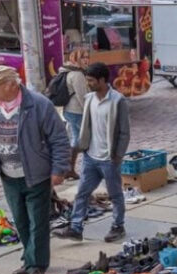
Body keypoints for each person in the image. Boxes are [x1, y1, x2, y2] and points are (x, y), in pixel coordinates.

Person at [0, 65, 70, 274]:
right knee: (20, 220)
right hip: (7, 174)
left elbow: (59, 138)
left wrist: (59, 169)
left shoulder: (38, 104)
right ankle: (29, 260)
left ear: (11, 84)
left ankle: (36, 266)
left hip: (36, 174)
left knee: (38, 221)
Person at [55, 62, 131, 243]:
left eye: (91, 80)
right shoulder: (89, 98)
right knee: (82, 193)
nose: (88, 84)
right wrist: (83, 147)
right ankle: (75, 228)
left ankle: (118, 225)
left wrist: (118, 155)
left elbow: (124, 132)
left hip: (109, 159)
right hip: (90, 156)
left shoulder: (117, 100)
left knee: (115, 194)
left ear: (102, 80)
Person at [60, 48, 90, 179]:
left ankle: (69, 169)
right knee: (87, 141)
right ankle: (86, 170)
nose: (87, 60)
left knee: (77, 140)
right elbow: (83, 96)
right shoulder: (77, 74)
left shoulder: (68, 71)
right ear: (76, 58)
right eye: (83, 57)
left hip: (69, 110)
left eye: (88, 57)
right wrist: (90, 112)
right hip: (77, 111)